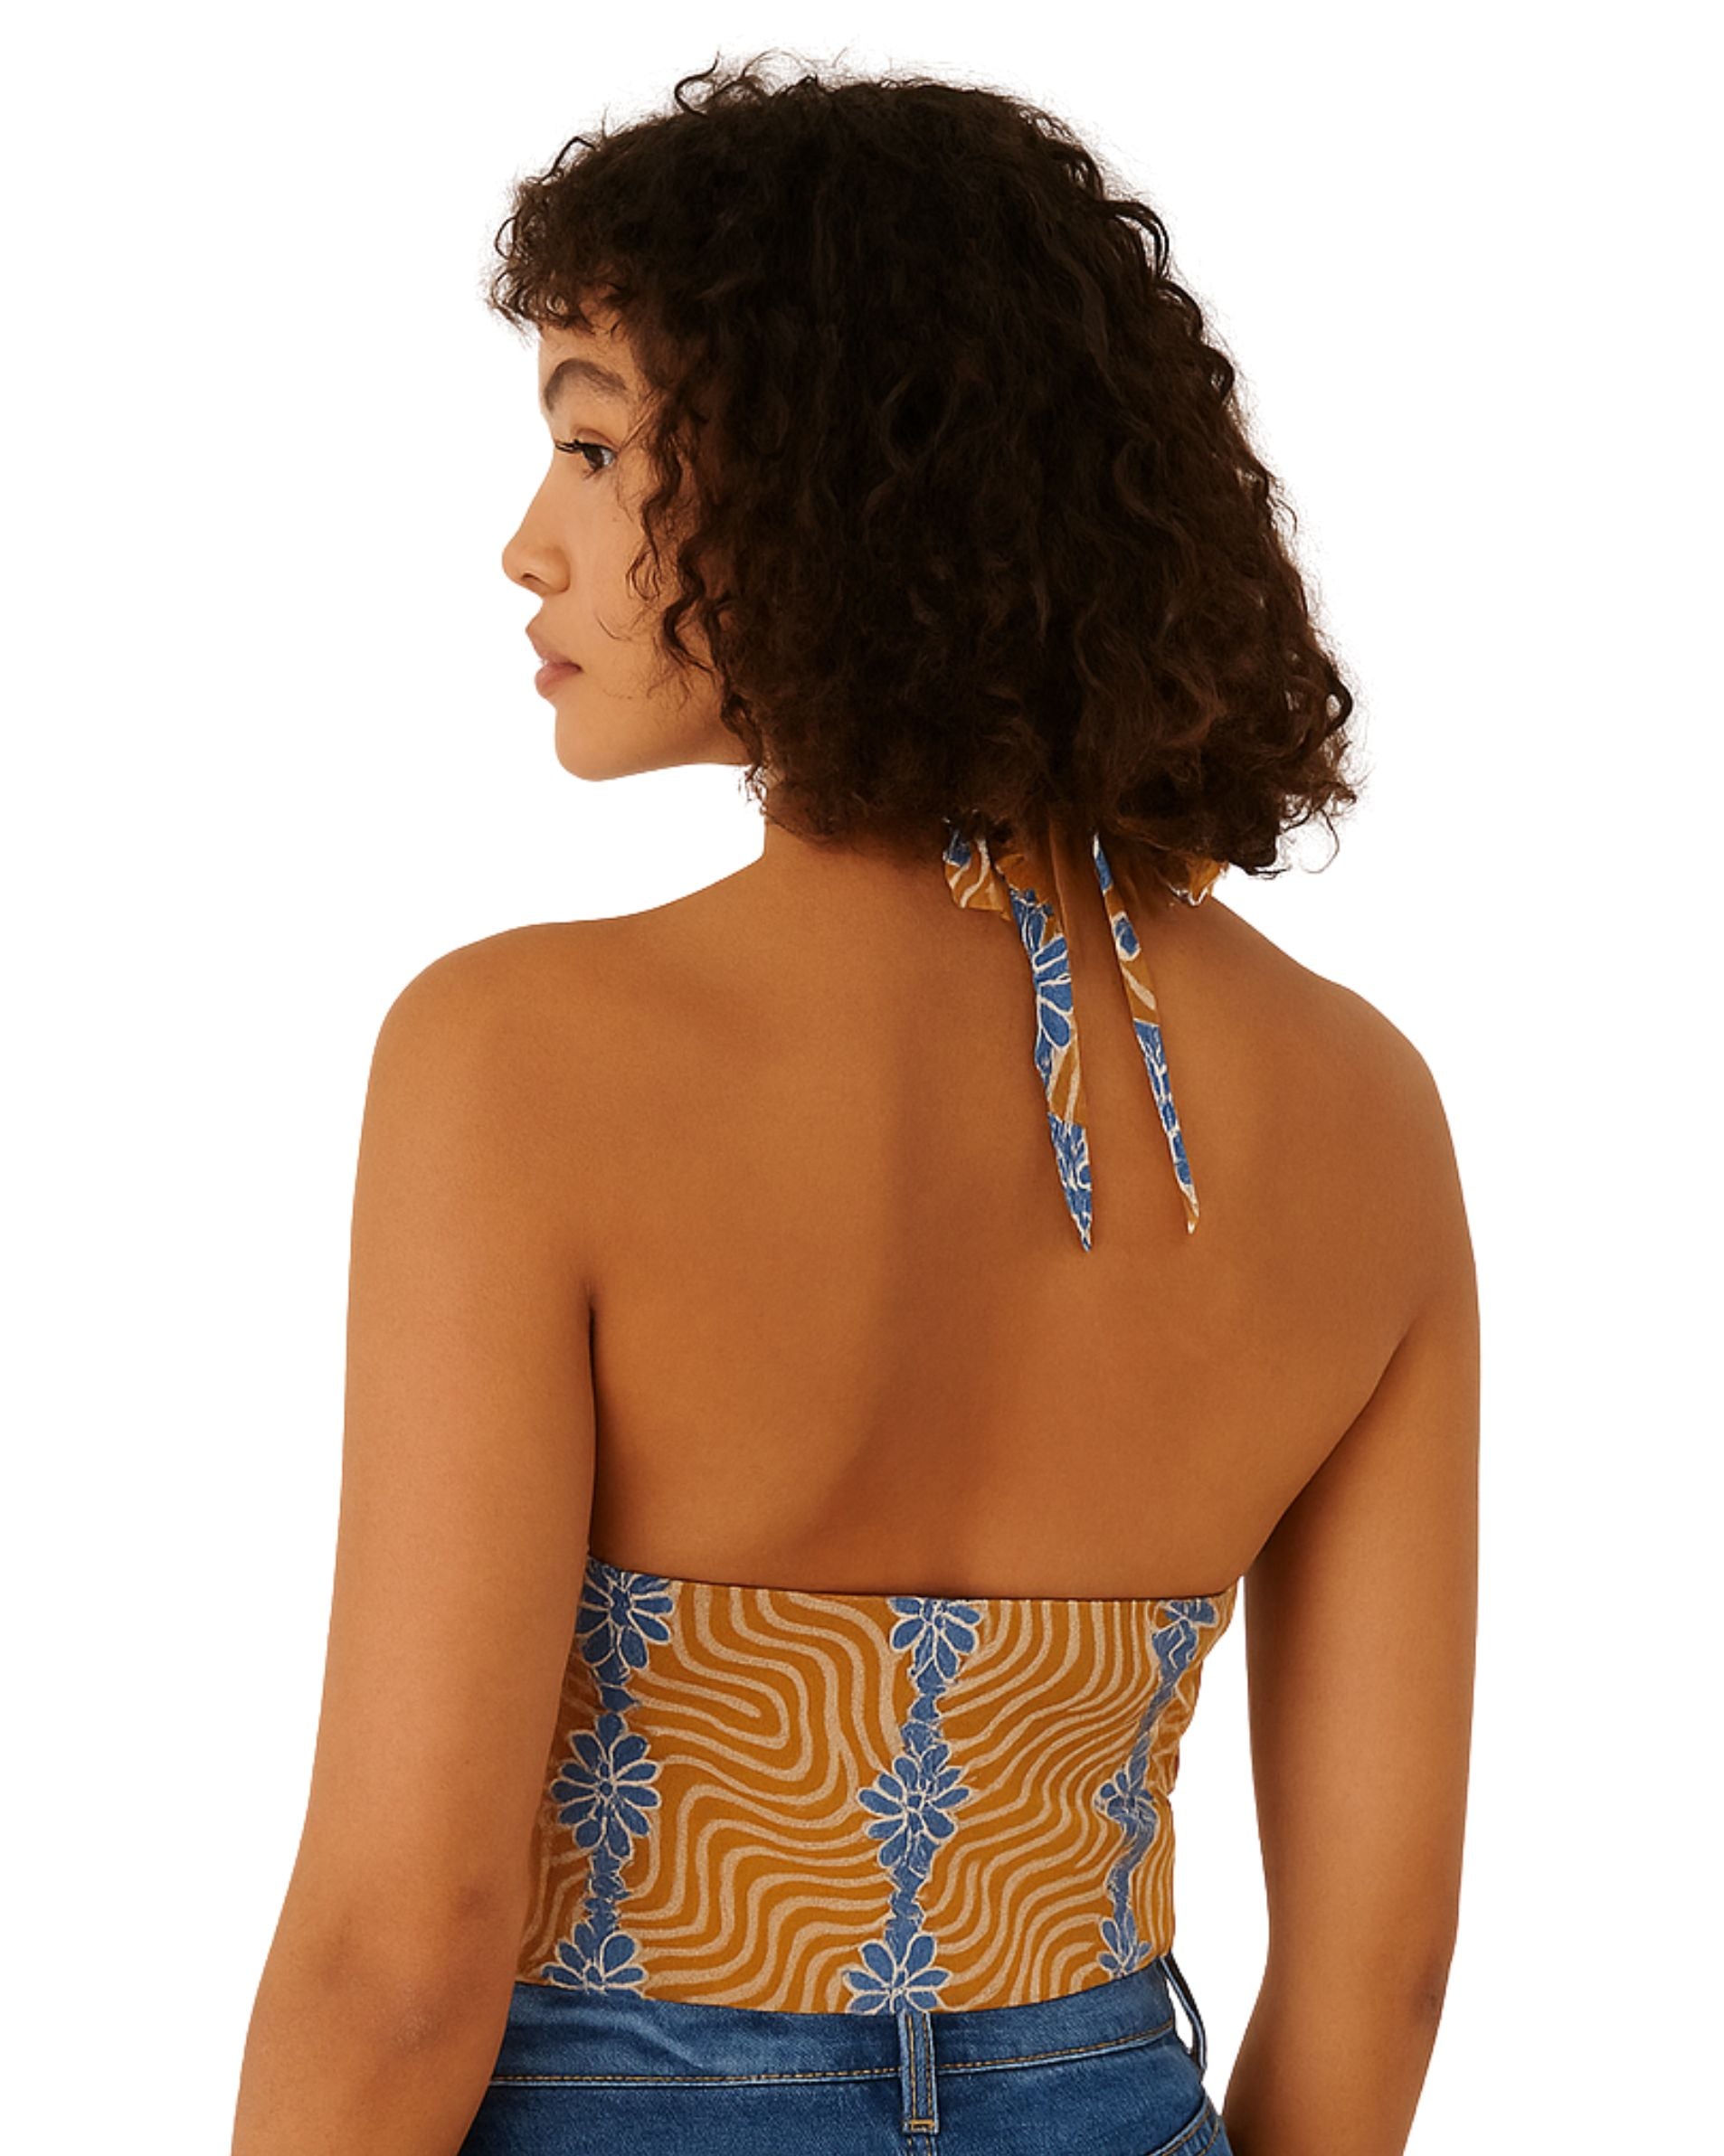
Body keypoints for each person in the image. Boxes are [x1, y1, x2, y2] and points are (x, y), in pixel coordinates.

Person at [232, 53, 1478, 2156]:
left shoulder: (516, 1055)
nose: (527, 543)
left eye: (593, 445)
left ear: (832, 476)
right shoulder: (1362, 1104)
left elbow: (399, 1954)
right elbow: (1381, 1972)